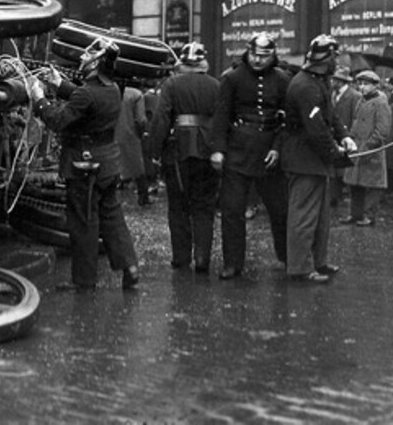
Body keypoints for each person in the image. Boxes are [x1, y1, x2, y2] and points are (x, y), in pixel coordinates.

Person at [30, 37, 140, 291]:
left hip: (84, 166)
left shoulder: (86, 93)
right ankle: (130, 267)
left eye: (85, 56)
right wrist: (59, 84)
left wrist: (39, 98)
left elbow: (57, 120)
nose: (81, 59)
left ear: (94, 64)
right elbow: (86, 98)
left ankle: (84, 281)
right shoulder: (112, 88)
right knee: (112, 217)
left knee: (83, 223)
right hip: (108, 163)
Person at [209, 33, 291, 279]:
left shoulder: (282, 80)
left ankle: (287, 258)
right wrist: (217, 150)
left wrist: (278, 147)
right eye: (255, 54)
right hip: (237, 151)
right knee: (232, 210)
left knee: (280, 210)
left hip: (269, 153)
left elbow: (286, 120)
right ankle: (233, 263)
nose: (258, 60)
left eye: (264, 56)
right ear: (247, 51)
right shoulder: (232, 78)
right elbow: (221, 116)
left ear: (273, 56)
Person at [281, 34, 356, 283]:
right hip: (304, 159)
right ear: (328, 58)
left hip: (315, 160)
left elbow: (331, 116)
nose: (338, 62)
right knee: (303, 217)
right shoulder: (305, 86)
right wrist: (336, 154)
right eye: (335, 57)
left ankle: (319, 262)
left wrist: (344, 136)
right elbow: (316, 130)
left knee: (321, 217)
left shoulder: (318, 81)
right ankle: (300, 268)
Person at [148, 42, 220, 272]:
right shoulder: (216, 85)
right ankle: (202, 258)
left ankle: (181, 257)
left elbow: (161, 119)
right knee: (204, 207)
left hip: (177, 152)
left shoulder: (172, 84)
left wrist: (155, 152)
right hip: (208, 151)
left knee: (178, 207)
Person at [340, 70, 391, 226]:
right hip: (357, 147)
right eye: (360, 84)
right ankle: (355, 214)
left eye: (366, 84)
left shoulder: (381, 103)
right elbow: (355, 122)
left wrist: (369, 145)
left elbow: (383, 130)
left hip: (371, 150)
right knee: (355, 184)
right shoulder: (361, 100)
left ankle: (369, 216)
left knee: (372, 185)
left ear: (375, 86)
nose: (362, 87)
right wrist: (350, 139)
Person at [329, 66, 359, 207]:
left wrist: (349, 136)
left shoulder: (354, 96)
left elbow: (355, 117)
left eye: (334, 79)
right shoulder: (331, 94)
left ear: (340, 81)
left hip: (345, 136)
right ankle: (334, 197)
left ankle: (340, 196)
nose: (331, 81)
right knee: (334, 168)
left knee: (343, 169)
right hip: (333, 135)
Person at [115, 84, 148, 205]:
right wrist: (141, 133)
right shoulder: (136, 94)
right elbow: (141, 119)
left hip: (110, 134)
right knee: (137, 166)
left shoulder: (106, 91)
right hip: (130, 134)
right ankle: (143, 197)